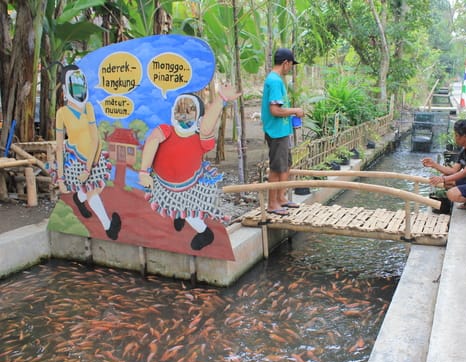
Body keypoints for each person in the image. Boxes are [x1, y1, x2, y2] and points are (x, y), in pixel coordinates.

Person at [139, 84, 241, 251]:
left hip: (188, 187)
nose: (183, 115)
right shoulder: (166, 130)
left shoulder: (201, 138)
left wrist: (220, 99)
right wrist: (144, 171)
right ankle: (178, 214)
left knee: (190, 213)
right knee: (170, 205)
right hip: (163, 184)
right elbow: (152, 141)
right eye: (180, 109)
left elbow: (207, 126)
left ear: (198, 117)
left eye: (189, 111)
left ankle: (205, 233)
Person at [54, 64, 121, 240]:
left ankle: (79, 198)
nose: (79, 89)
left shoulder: (88, 108)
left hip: (93, 157)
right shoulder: (62, 113)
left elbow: (95, 138)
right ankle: (108, 227)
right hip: (77, 161)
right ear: (65, 88)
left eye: (81, 84)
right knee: (93, 190)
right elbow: (60, 146)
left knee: (98, 186)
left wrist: (89, 168)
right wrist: (61, 178)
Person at [261, 48, 305, 216]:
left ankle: (281, 198)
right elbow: (275, 110)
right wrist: (295, 110)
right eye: (291, 65)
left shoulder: (277, 80)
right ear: (286, 63)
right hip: (276, 131)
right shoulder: (274, 81)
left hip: (281, 130)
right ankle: (272, 204)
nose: (291, 68)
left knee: (285, 164)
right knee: (276, 168)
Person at [422, 119, 466, 216]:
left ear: (464, 136)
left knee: (451, 194)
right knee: (447, 182)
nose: (455, 138)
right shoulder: (465, 150)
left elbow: (465, 173)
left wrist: (442, 178)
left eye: (456, 135)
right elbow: (453, 170)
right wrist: (434, 165)